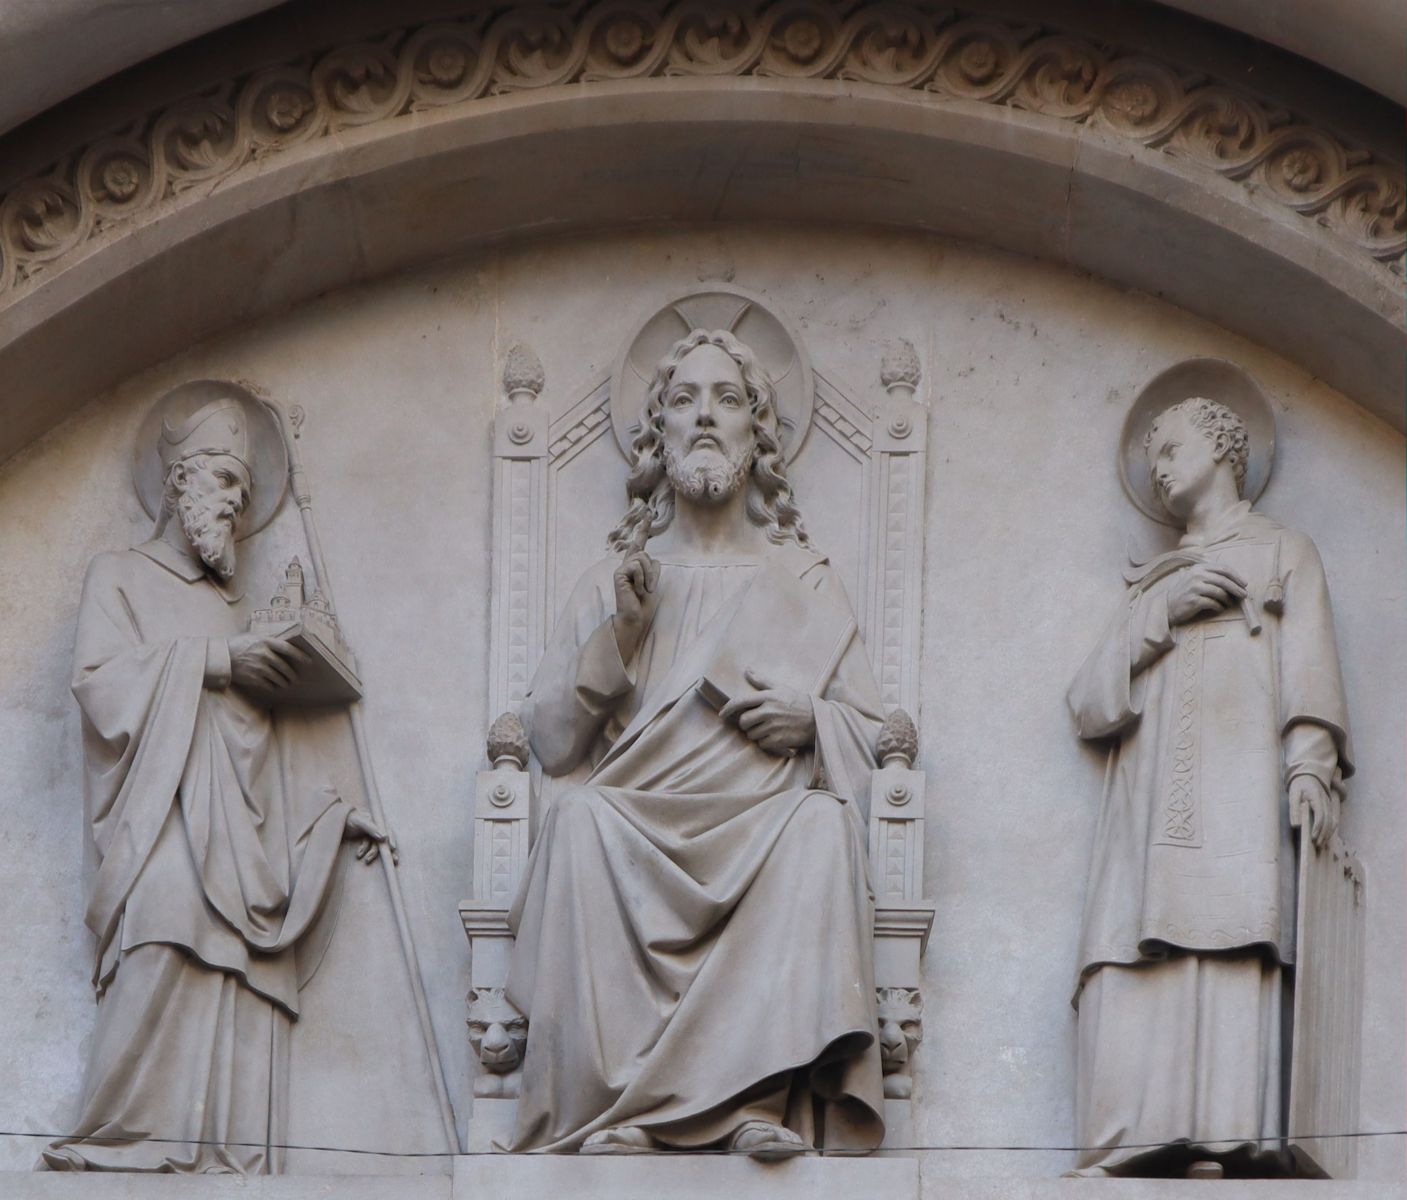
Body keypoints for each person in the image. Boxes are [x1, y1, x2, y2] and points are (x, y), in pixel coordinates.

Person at [504, 329, 887, 1158]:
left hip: (760, 822)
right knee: (577, 821)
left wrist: (810, 720)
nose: (705, 417)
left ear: (760, 432)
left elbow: (881, 740)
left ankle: (756, 1097)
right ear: (656, 435)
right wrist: (621, 638)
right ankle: (619, 1109)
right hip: (635, 824)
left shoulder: (805, 583)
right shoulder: (616, 582)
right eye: (684, 400)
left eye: (726, 399)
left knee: (818, 829)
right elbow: (554, 743)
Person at [44, 382, 390, 1174]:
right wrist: (213, 661)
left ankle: (218, 1156)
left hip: (239, 845)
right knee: (163, 921)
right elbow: (100, 684)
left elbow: (254, 756)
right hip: (161, 827)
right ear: (178, 482)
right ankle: (120, 1137)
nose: (238, 502)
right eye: (227, 480)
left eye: (247, 487)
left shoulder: (234, 614)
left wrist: (328, 819)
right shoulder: (120, 576)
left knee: (238, 972)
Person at [1066, 395, 1352, 1178]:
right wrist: (1162, 611)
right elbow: (1089, 703)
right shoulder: (1152, 583)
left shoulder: (1282, 551)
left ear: (1223, 447)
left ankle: (1220, 1140)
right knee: (1129, 941)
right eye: (1151, 454)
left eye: (1171, 446)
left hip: (1237, 794)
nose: (1158, 467)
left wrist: (1308, 764)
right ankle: (1131, 1136)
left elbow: (1309, 669)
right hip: (1147, 797)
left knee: (1228, 932)